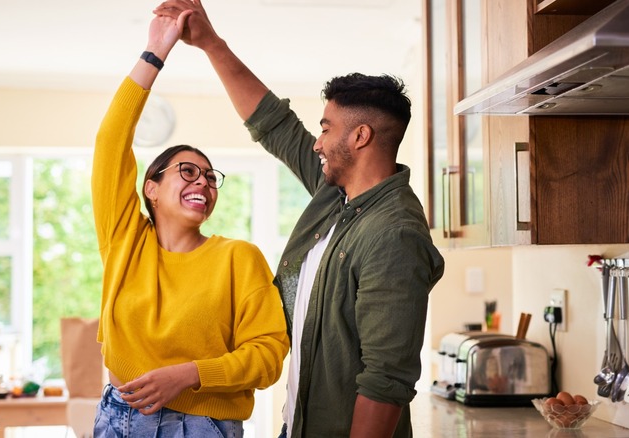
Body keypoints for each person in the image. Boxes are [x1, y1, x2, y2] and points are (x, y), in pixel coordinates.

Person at [154, 1, 446, 437]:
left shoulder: (393, 234)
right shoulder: (338, 197)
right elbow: (276, 126)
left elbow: (386, 382)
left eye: (326, 128)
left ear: (360, 136)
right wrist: (211, 45)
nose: (317, 143)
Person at [91, 9, 290, 438]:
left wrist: (190, 374)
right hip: (117, 417)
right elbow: (110, 142)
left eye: (210, 176)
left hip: (202, 426)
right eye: (187, 171)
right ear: (152, 189)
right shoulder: (124, 241)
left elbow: (269, 354)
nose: (203, 180)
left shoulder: (239, 258)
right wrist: (155, 51)